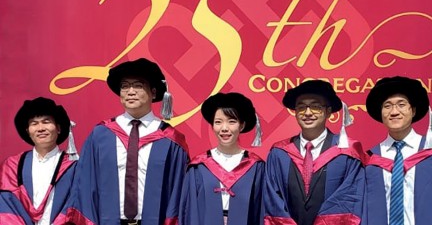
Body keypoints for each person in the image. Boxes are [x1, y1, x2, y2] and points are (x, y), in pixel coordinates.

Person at [66, 58, 189, 225]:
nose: (130, 91)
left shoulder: (171, 140)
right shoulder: (101, 135)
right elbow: (85, 187)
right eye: (124, 86)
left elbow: (179, 193)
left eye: (138, 85)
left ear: (153, 92)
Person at [363, 76, 432, 225]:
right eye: (387, 106)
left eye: (401, 104)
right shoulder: (370, 160)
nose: (394, 112)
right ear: (381, 113)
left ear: (412, 111)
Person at [263, 80, 366, 225]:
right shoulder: (279, 153)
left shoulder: (347, 152)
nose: (308, 113)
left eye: (316, 107)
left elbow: (350, 198)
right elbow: (272, 200)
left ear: (328, 112)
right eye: (301, 107)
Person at [179, 92, 265, 225]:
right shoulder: (198, 166)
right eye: (218, 122)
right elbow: (190, 210)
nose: (224, 128)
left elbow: (261, 211)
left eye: (232, 122)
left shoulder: (256, 166)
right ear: (212, 126)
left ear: (241, 126)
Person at [0, 97, 78, 224]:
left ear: (58, 128)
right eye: (34, 123)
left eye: (46, 122)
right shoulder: (12, 165)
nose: (40, 128)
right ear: (28, 131)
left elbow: (77, 205)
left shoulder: (74, 167)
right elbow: (6, 204)